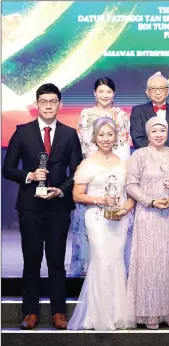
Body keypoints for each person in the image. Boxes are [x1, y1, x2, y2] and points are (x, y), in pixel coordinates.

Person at [2, 83, 82, 329]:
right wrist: (29, 176)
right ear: (36, 104)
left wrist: (62, 189)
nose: (48, 106)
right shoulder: (22, 132)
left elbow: (78, 170)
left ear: (60, 104)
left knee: (57, 261)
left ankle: (59, 312)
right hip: (30, 206)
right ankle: (30, 313)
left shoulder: (69, 134)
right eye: (43, 102)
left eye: (53, 101)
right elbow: (7, 169)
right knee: (32, 260)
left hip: (58, 205)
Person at [68, 118, 135, 330]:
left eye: (110, 134)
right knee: (101, 262)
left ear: (116, 137)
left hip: (119, 219)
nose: (106, 139)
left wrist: (123, 210)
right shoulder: (87, 163)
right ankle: (97, 316)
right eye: (102, 135)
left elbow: (132, 194)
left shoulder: (125, 163)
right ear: (95, 138)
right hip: (96, 219)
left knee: (116, 263)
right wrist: (100, 200)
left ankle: (116, 314)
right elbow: (77, 195)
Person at [125, 117, 169, 329]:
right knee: (149, 264)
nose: (159, 134)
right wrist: (150, 201)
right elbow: (131, 185)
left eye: (162, 130)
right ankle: (150, 313)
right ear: (148, 134)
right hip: (148, 215)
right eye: (155, 130)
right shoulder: (140, 155)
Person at [69, 77, 131, 276]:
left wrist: (118, 170)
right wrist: (95, 168)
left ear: (114, 94)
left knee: (117, 226)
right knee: (90, 225)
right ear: (95, 93)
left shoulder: (121, 115)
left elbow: (123, 145)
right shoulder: (86, 114)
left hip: (116, 170)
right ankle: (86, 267)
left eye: (108, 91)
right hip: (92, 172)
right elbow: (84, 144)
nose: (105, 95)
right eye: (101, 91)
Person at [130, 73, 169, 156]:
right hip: (148, 159)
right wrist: (156, 155)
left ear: (168, 91)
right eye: (153, 89)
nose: (157, 92)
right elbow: (137, 138)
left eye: (161, 88)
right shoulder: (138, 111)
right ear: (147, 92)